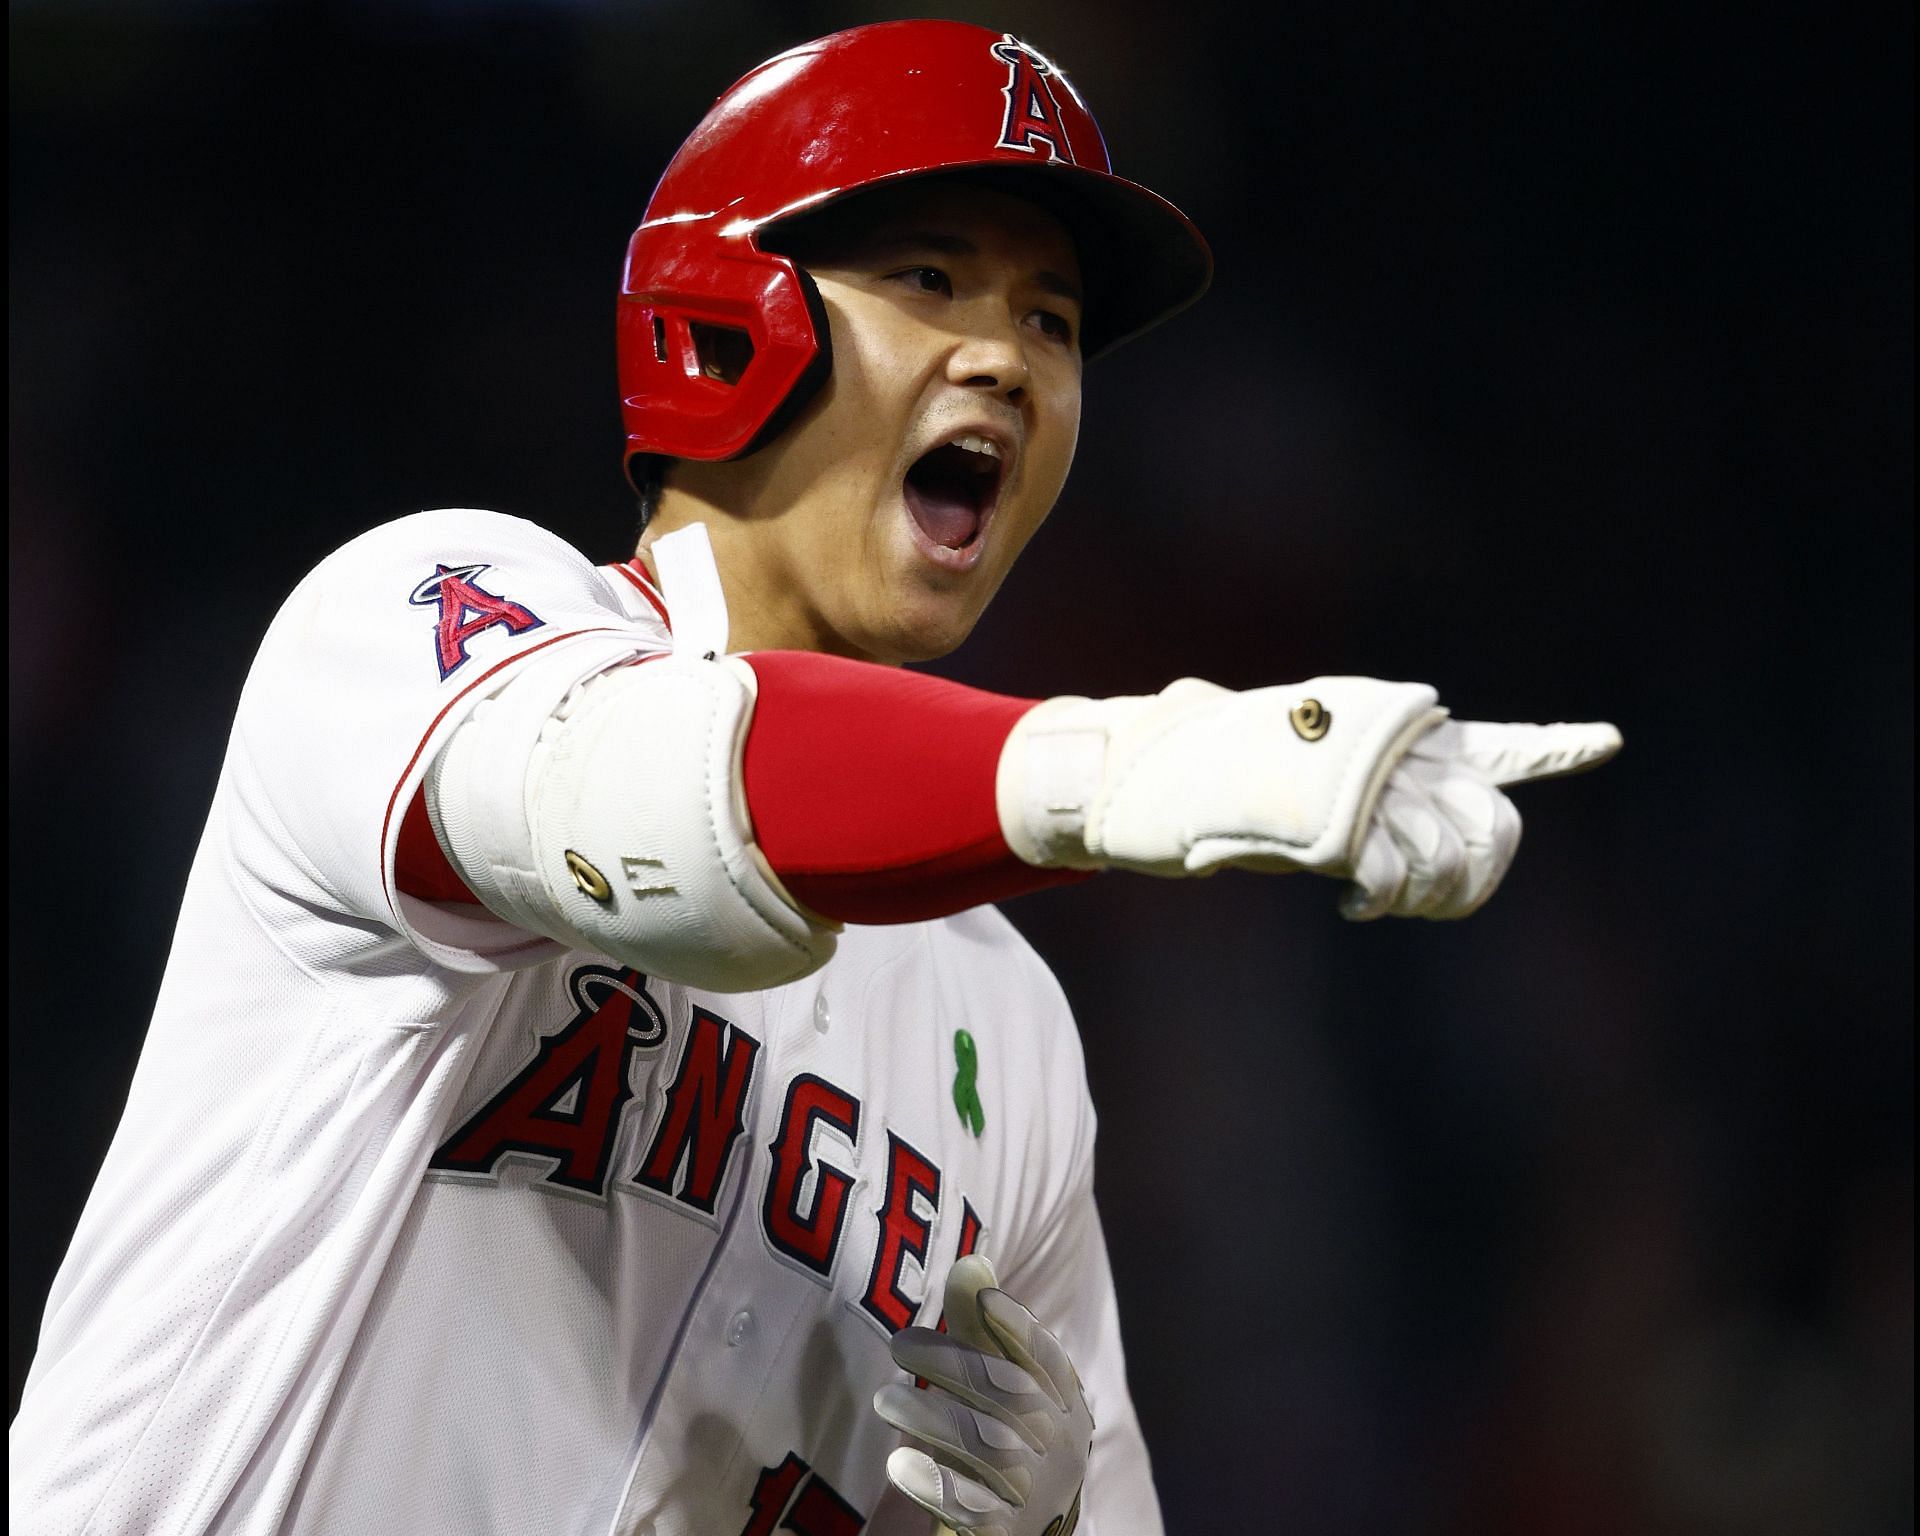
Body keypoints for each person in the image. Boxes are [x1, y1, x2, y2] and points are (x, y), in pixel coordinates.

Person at [9, 20, 1619, 1536]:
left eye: (1049, 322)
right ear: (725, 319)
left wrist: (1053, 1522)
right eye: (934, 279)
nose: (1006, 360)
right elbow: (658, 808)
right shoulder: (420, 619)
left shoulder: (1011, 1036)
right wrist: (1115, 760)